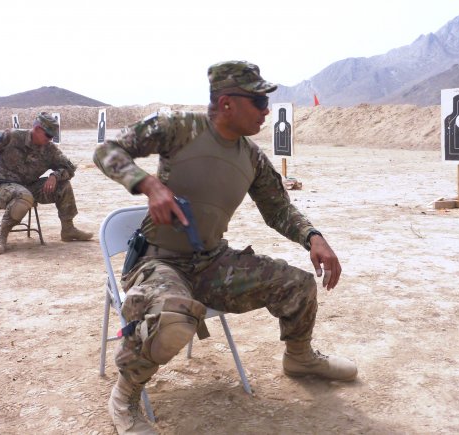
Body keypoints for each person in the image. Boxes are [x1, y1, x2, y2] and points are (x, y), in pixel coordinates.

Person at [93, 60, 357, 434]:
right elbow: (107, 150)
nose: (267, 111)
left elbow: (278, 208)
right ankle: (125, 398)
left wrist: (313, 237)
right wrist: (147, 184)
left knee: (297, 284)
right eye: (259, 102)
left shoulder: (251, 157)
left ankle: (299, 359)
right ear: (228, 103)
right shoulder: (177, 127)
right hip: (158, 262)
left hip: (212, 262)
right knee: (173, 319)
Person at [0, 112, 93, 254]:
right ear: (37, 129)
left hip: (31, 186)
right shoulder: (11, 136)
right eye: (48, 135)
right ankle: (2, 234)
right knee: (23, 196)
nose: (50, 140)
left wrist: (55, 175)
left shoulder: (49, 149)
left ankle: (68, 229)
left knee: (63, 186)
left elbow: (70, 168)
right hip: (4, 186)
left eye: (52, 137)